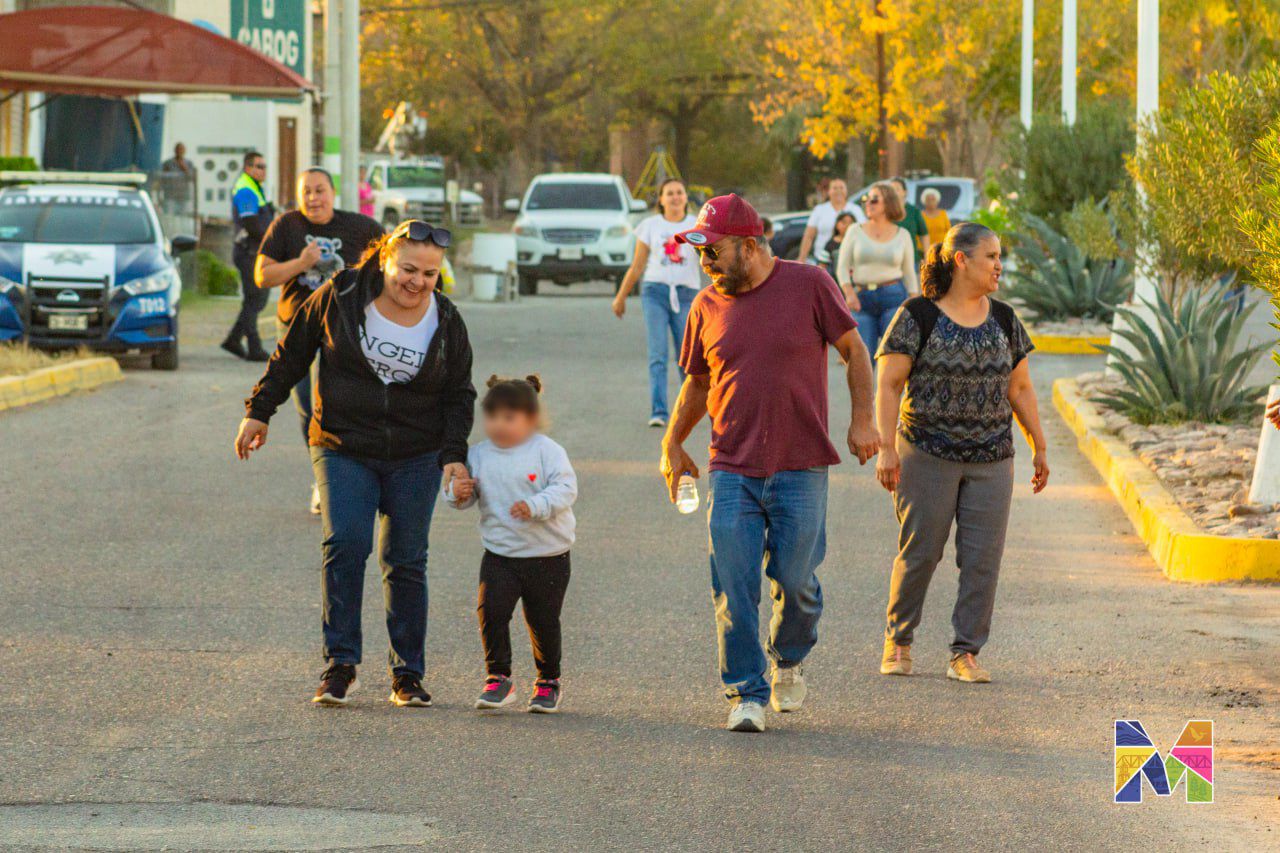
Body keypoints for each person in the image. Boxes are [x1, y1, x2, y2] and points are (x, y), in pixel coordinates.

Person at [660, 194, 880, 733]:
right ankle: (746, 691)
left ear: (750, 246)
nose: (705, 262)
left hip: (801, 465)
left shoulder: (809, 284)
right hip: (731, 466)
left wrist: (863, 420)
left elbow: (855, 350)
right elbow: (697, 383)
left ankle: (787, 656)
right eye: (701, 252)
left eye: (714, 251)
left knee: (797, 580)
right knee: (732, 584)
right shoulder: (705, 306)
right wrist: (672, 443)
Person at [235, 220, 476, 708]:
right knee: (346, 542)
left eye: (429, 274)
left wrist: (453, 455)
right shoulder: (340, 295)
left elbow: (459, 393)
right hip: (342, 443)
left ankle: (407, 674)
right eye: (408, 269)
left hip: (416, 453)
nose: (417, 282)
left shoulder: (445, 319)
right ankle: (339, 665)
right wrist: (259, 412)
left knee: (405, 559)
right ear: (384, 258)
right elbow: (291, 355)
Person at [873, 222, 1049, 684]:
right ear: (960, 260)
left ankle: (965, 652)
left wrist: (1039, 445)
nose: (999, 265)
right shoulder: (917, 315)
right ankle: (900, 638)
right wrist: (887, 448)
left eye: (1000, 256)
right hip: (926, 453)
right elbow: (889, 384)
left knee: (982, 558)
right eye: (990, 256)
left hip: (992, 457)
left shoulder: (1005, 319)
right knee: (921, 552)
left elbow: (1021, 387)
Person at [256, 168, 385, 513]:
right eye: (307, 192)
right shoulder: (287, 226)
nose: (313, 198)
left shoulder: (360, 227)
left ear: (333, 192)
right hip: (298, 330)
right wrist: (301, 263)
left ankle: (353, 476)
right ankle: (323, 479)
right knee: (307, 408)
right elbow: (262, 275)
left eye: (320, 190)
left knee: (343, 404)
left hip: (344, 332)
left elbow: (390, 264)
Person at [447, 375, 578, 714]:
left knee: (543, 620)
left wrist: (536, 506)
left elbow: (566, 489)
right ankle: (498, 678)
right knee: (490, 612)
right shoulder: (478, 455)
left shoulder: (548, 451)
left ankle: (548, 681)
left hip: (547, 555)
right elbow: (465, 494)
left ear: (531, 419)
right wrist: (455, 493)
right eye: (492, 418)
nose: (499, 426)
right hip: (500, 554)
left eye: (509, 418)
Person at [611, 178, 700, 428]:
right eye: (669, 193)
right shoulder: (650, 225)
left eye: (679, 192)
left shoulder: (696, 225)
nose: (675, 197)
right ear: (660, 199)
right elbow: (637, 265)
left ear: (685, 197)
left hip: (686, 293)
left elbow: (710, 259)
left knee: (687, 356)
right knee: (658, 354)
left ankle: (689, 410)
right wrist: (621, 297)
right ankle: (659, 411)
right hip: (655, 292)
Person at [837, 182, 918, 357]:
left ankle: (887, 386)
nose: (868, 203)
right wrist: (849, 293)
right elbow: (842, 267)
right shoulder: (854, 231)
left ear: (888, 203)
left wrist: (915, 302)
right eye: (866, 199)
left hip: (894, 297)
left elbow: (909, 273)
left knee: (894, 356)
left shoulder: (903, 234)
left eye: (874, 200)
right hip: (861, 299)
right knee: (861, 357)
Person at [221, 151, 275, 362]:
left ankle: (234, 340)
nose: (263, 170)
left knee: (256, 300)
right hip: (248, 252)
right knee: (255, 300)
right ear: (248, 168)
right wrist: (273, 241)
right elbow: (251, 224)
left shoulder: (254, 187)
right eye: (258, 166)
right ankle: (254, 347)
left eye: (264, 166)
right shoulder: (245, 189)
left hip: (254, 252)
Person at [796, 178, 864, 267]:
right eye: (835, 188)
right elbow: (809, 236)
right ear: (829, 191)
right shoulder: (819, 210)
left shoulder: (856, 210)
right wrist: (802, 257)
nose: (838, 191)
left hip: (850, 260)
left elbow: (863, 233)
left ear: (846, 191)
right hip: (823, 260)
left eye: (841, 188)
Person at [890, 177, 931, 269]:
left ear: (905, 192)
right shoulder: (885, 212)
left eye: (897, 189)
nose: (893, 192)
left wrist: (927, 255)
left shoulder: (914, 211)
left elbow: (924, 234)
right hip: (890, 262)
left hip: (911, 261)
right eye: (891, 190)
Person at [160, 142, 195, 215]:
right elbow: (162, 177)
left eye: (182, 149)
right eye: (178, 149)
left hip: (183, 196)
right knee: (169, 215)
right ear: (175, 150)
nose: (180, 151)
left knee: (183, 215)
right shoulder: (168, 163)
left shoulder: (189, 163)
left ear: (184, 151)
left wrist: (184, 168)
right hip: (170, 196)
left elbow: (192, 178)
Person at [823, 211, 856, 281]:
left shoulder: (858, 242)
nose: (847, 225)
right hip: (837, 284)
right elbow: (822, 266)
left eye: (851, 223)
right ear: (837, 225)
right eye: (844, 223)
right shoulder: (830, 244)